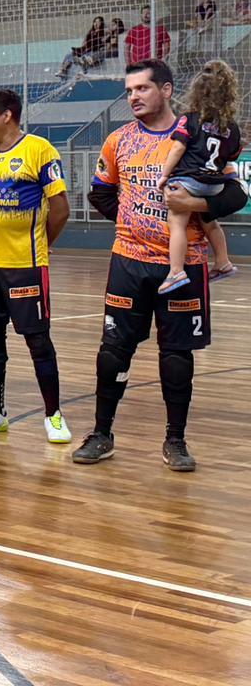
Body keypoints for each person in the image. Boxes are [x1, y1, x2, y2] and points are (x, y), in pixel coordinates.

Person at [76, 58, 248, 470]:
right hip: (129, 262)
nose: (133, 96)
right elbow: (99, 193)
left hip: (186, 265)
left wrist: (197, 204)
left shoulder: (201, 132)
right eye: (129, 90)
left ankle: (176, 440)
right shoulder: (118, 140)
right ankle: (102, 433)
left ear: (167, 90)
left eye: (142, 89)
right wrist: (131, 220)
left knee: (176, 355)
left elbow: (237, 194)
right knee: (113, 350)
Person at [0, 88, 72, 443]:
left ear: (7, 115)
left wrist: (41, 246)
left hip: (24, 264)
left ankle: (53, 415)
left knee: (37, 340)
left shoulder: (39, 150)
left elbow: (60, 209)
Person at [157, 60, 242, 293]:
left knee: (177, 222)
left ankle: (175, 271)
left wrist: (164, 175)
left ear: (197, 90)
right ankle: (223, 262)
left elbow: (178, 149)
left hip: (189, 180)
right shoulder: (232, 127)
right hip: (214, 184)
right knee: (209, 220)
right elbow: (232, 154)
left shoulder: (190, 118)